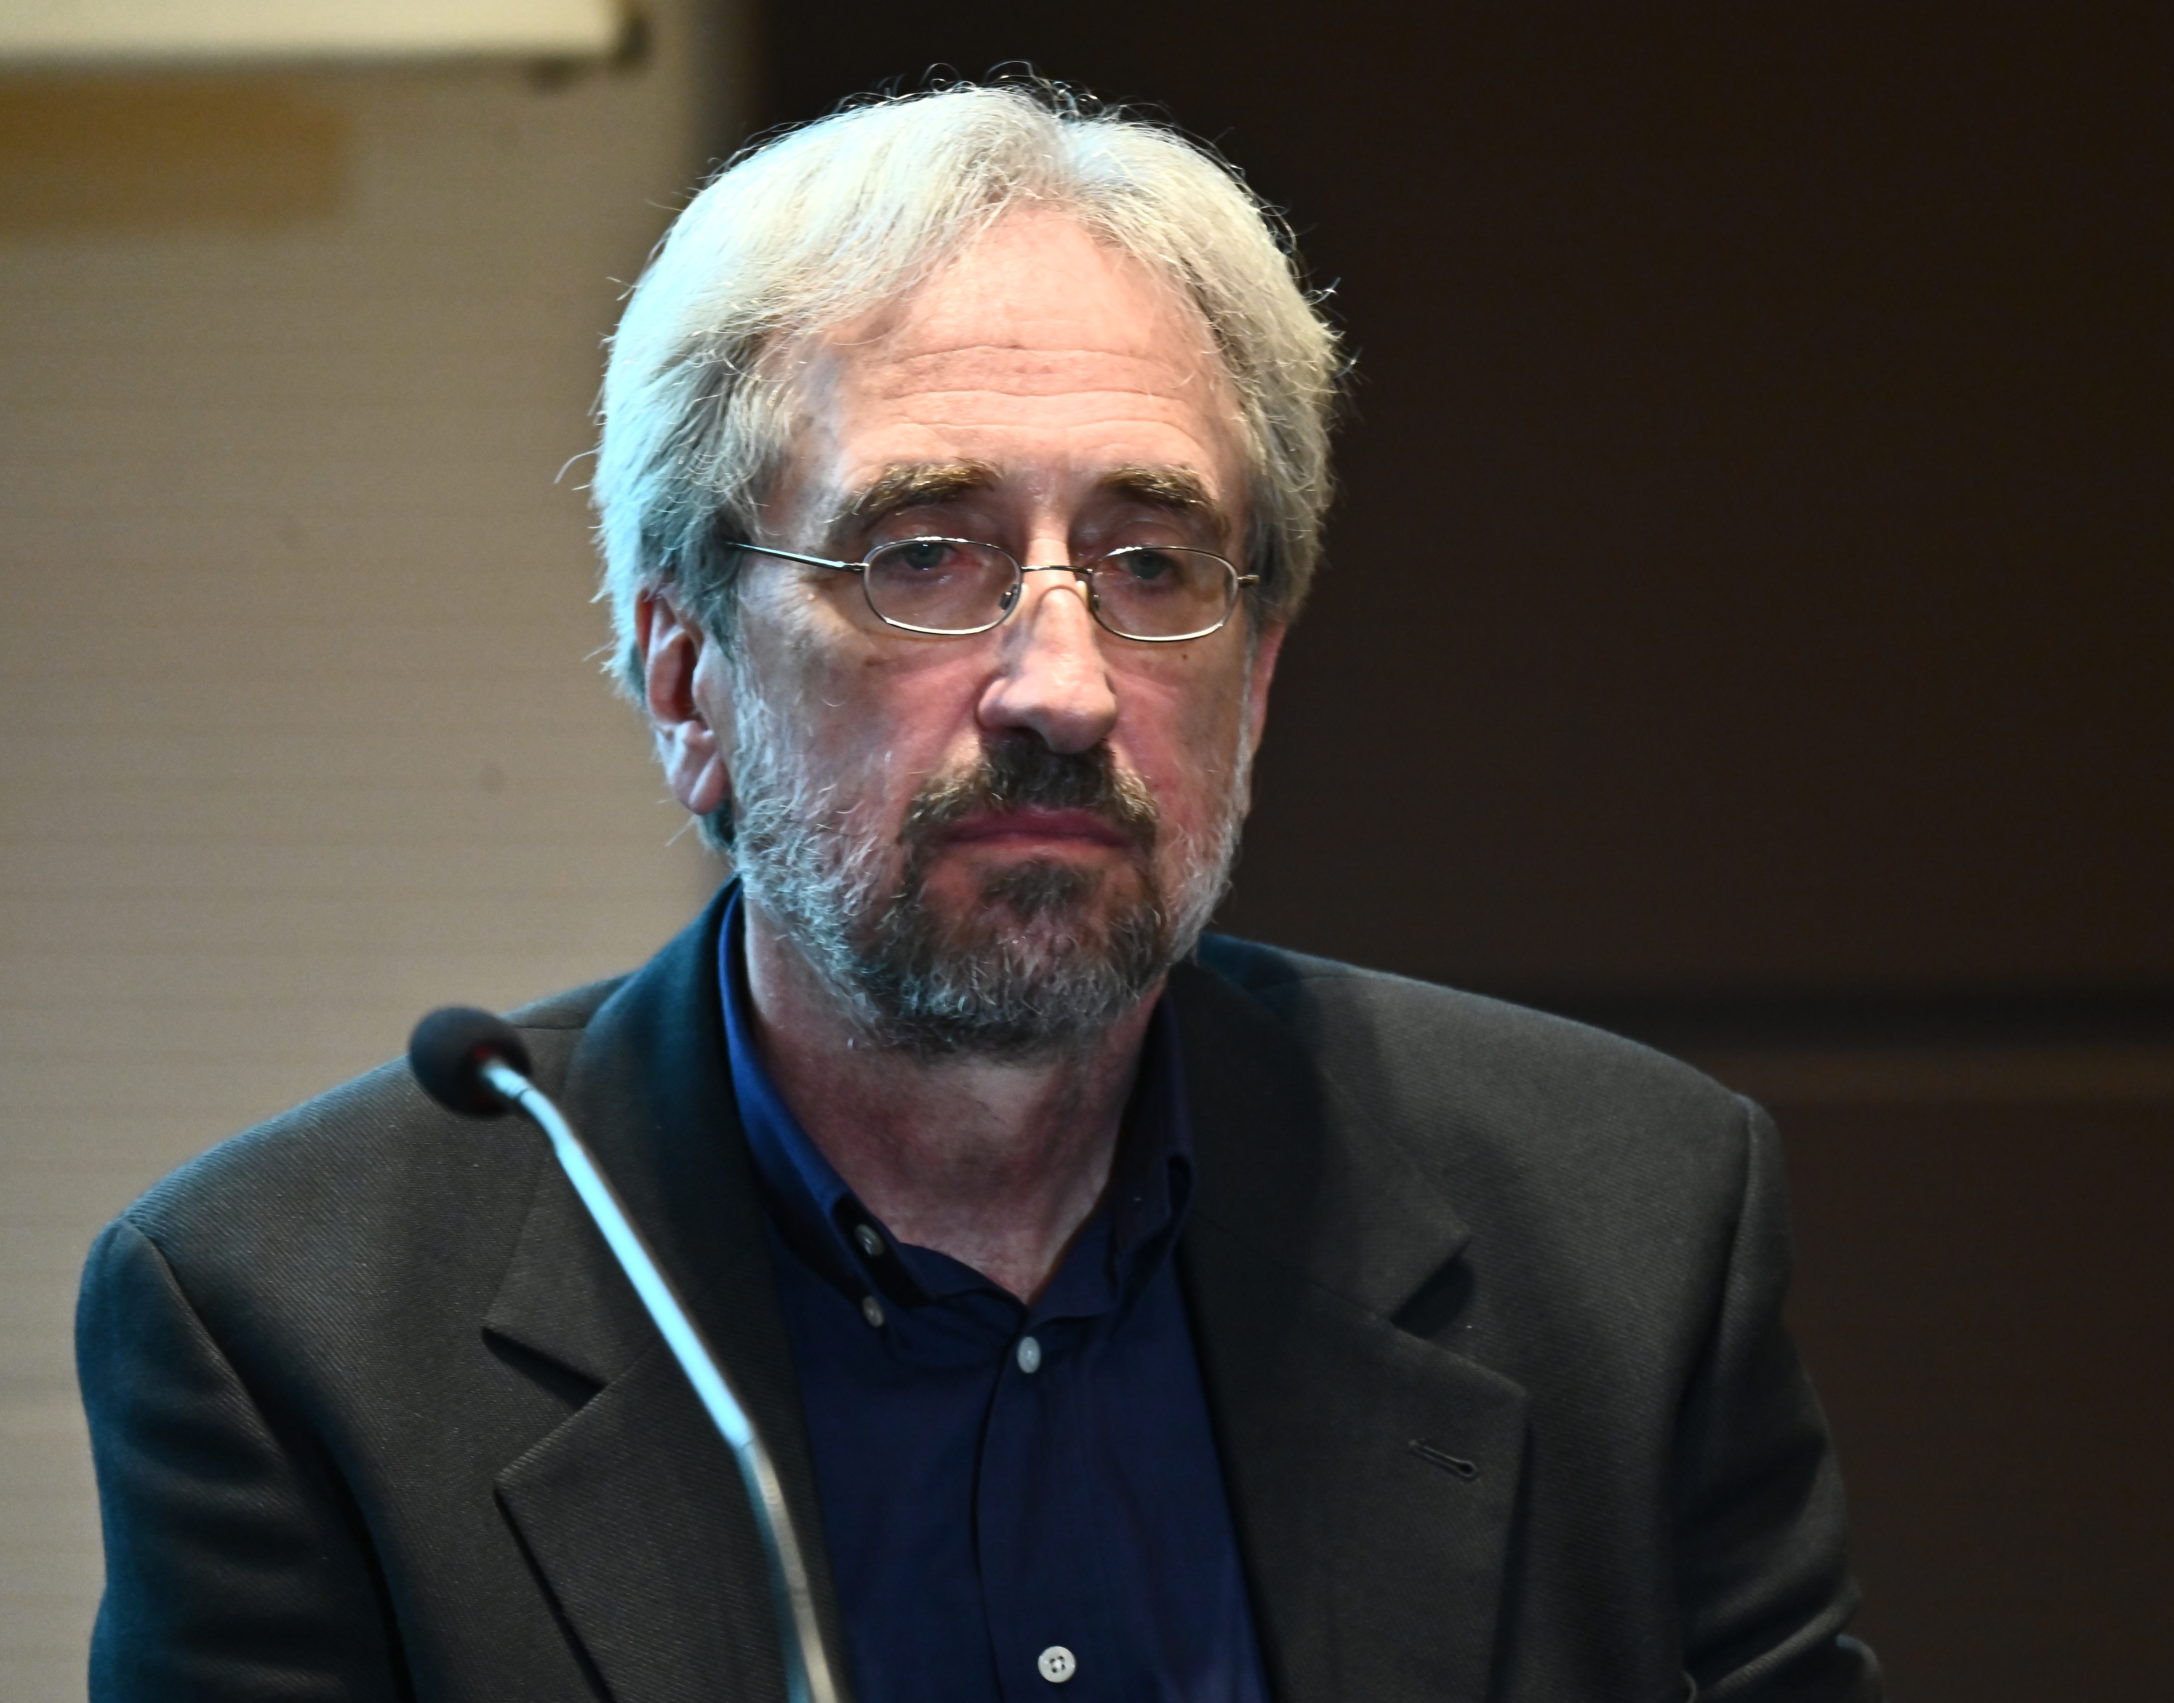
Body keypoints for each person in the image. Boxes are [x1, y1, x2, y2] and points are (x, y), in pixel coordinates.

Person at [76, 83, 1882, 1703]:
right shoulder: (291, 1334)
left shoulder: (1624, 1237)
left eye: (1151, 563)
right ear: (689, 677)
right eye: (923, 556)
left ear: (1256, 682)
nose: (1063, 688)